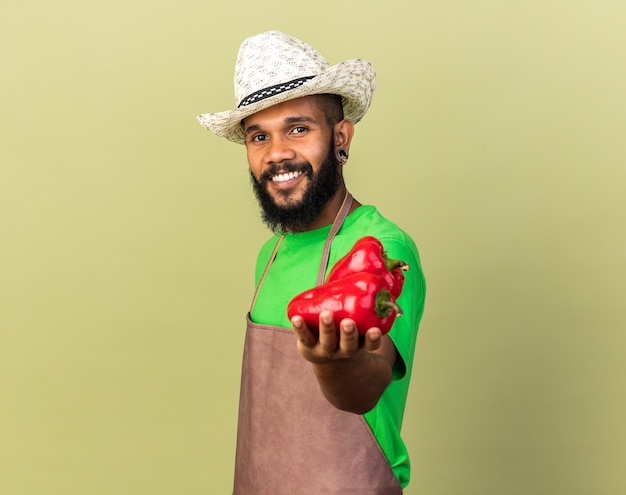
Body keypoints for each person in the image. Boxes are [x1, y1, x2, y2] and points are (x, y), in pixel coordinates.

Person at [197, 30, 426, 495]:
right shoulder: (272, 253)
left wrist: (336, 365)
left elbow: (366, 384)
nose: (277, 152)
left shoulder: (380, 248)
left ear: (340, 136)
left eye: (298, 129)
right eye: (259, 136)